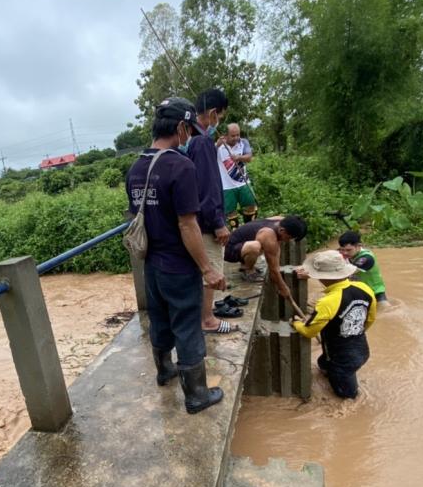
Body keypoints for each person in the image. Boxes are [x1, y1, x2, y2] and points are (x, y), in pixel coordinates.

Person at [125, 96, 226, 414]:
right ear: (181, 127)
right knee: (187, 326)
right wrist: (207, 268)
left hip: (151, 266)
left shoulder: (136, 168)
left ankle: (164, 370)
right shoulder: (180, 166)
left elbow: (136, 217)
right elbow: (187, 224)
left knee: (159, 319)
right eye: (189, 131)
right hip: (179, 267)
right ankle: (196, 395)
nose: (189, 137)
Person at [291, 250, 377, 399]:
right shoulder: (365, 288)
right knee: (323, 364)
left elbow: (309, 332)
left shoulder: (327, 302)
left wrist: (296, 323)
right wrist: (354, 331)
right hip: (361, 348)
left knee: (347, 396)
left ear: (322, 277)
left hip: (340, 357)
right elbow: (370, 319)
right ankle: (329, 369)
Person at [185, 88, 232, 334]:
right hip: (205, 223)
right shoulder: (203, 142)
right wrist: (218, 222)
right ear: (213, 113)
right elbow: (208, 187)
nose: (219, 122)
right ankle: (208, 319)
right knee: (210, 268)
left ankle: (201, 316)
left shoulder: (191, 140)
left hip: (194, 219)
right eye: (220, 116)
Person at [223, 215, 307, 301]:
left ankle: (246, 261)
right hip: (229, 250)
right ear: (282, 230)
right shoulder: (268, 235)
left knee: (263, 246)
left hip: (242, 243)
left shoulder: (281, 221)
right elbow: (273, 270)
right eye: (289, 237)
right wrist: (283, 288)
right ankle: (247, 269)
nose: (288, 240)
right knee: (255, 246)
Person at [216, 123, 257, 229]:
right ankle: (236, 233)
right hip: (227, 186)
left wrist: (239, 157)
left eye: (238, 135)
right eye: (233, 136)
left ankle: (249, 230)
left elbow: (249, 157)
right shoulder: (218, 146)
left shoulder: (243, 142)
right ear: (225, 135)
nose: (236, 138)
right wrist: (216, 146)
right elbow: (209, 156)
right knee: (230, 212)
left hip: (243, 182)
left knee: (250, 207)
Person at [337, 231, 388, 304]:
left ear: (359, 246)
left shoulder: (367, 258)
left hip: (375, 292)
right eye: (342, 250)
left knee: (385, 309)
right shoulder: (349, 255)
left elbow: (347, 272)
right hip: (359, 291)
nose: (345, 253)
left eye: (348, 250)